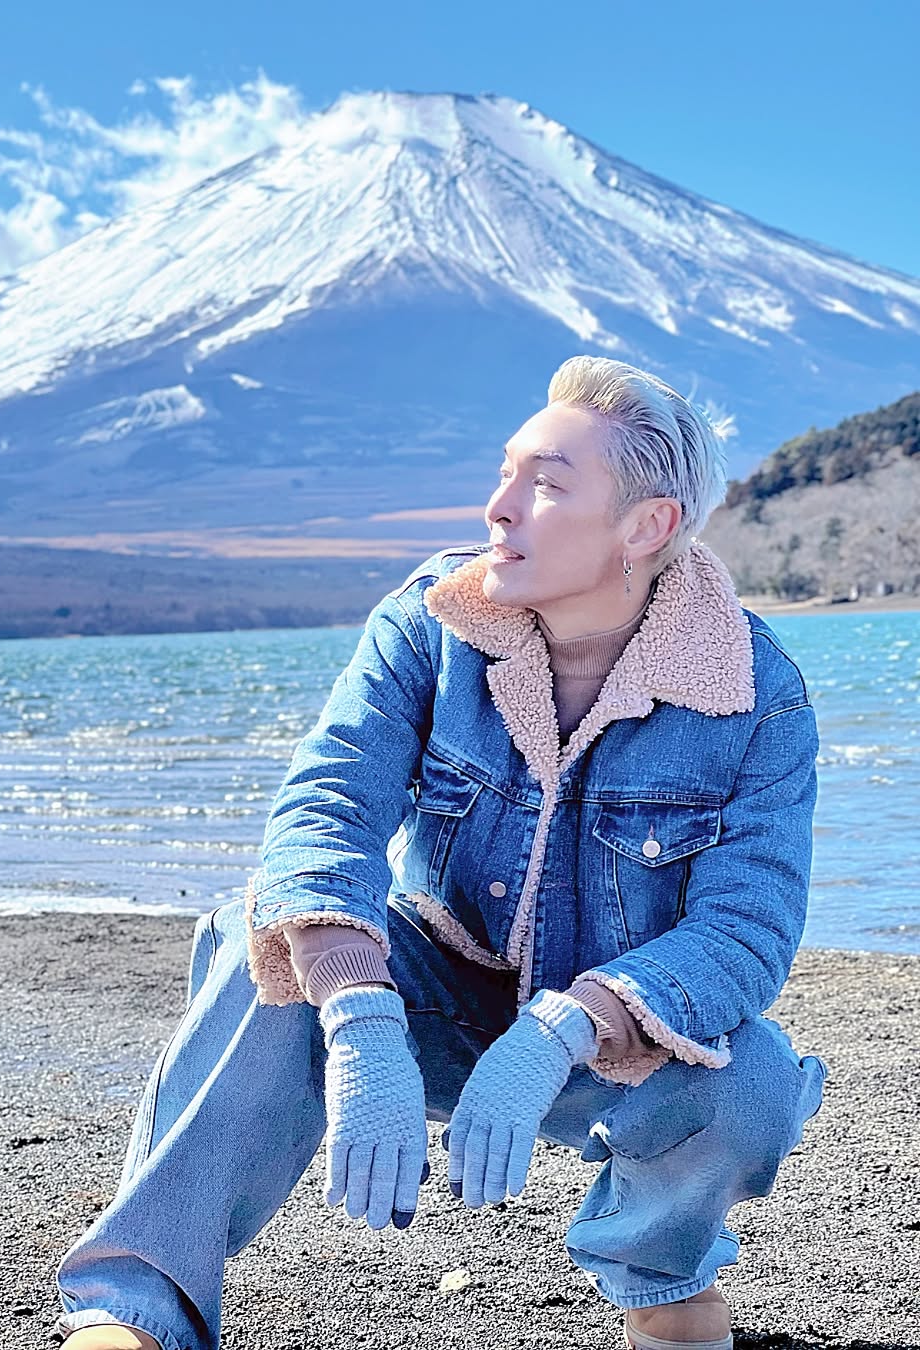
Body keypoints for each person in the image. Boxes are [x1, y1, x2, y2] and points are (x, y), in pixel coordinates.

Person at [53, 356, 828, 1350]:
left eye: (546, 485)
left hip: (608, 1039)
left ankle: (663, 1283)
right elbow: (327, 807)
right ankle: (136, 1313)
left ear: (646, 527)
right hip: (427, 993)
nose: (499, 507)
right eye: (505, 473)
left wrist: (567, 1027)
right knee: (261, 946)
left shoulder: (757, 693)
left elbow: (747, 931)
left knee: (753, 1080)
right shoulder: (430, 621)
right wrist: (360, 1012)